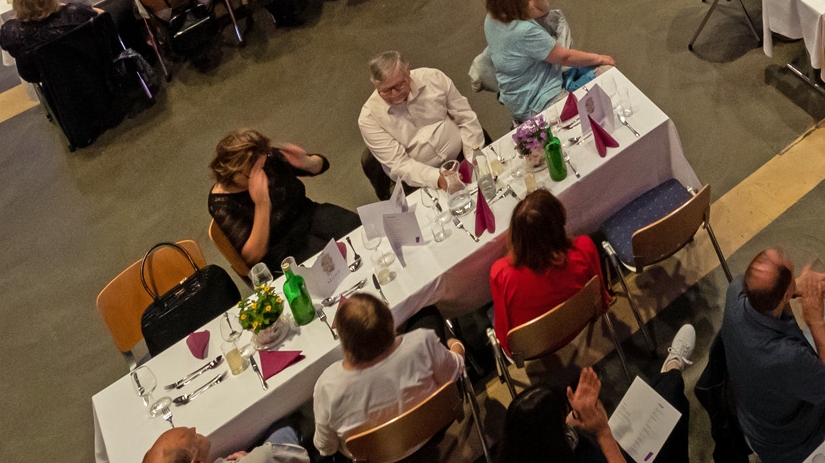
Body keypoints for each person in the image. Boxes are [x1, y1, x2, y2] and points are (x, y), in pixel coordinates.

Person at [722, 249, 825, 463]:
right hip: (794, 442)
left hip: (760, 413)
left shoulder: (735, 291)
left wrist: (796, 286)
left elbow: (769, 294)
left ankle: (824, 381)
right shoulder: (785, 356)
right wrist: (816, 323)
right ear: (785, 295)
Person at [309, 292, 467, 462]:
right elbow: (454, 371)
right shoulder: (423, 342)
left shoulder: (328, 386)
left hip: (374, 457)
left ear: (344, 343)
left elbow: (326, 447)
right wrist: (456, 346)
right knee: (428, 314)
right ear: (391, 323)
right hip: (435, 429)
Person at [207, 127, 362, 267]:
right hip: (283, 249)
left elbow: (322, 165)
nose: (263, 171)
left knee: (361, 234)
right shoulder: (222, 203)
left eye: (263, 164)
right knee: (333, 268)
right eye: (255, 171)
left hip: (311, 214)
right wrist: (262, 205)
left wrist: (306, 162)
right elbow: (252, 256)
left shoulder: (265, 157)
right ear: (233, 172)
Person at [490, 187, 610, 353]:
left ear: (517, 236)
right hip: (580, 324)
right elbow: (601, 301)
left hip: (531, 348)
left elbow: (504, 336)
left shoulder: (501, 273)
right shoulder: (584, 248)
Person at [483, 0, 612, 118]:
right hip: (538, 100)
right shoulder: (522, 31)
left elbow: (542, 10)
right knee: (605, 78)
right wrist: (599, 58)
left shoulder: (493, 17)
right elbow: (564, 57)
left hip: (533, 85)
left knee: (603, 77)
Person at [357, 50, 487, 192]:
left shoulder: (432, 78)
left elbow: (465, 117)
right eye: (385, 91)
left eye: (398, 86)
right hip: (420, 181)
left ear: (408, 72)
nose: (394, 95)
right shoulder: (369, 119)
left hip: (463, 154)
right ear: (375, 84)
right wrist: (437, 179)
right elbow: (399, 164)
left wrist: (470, 159)